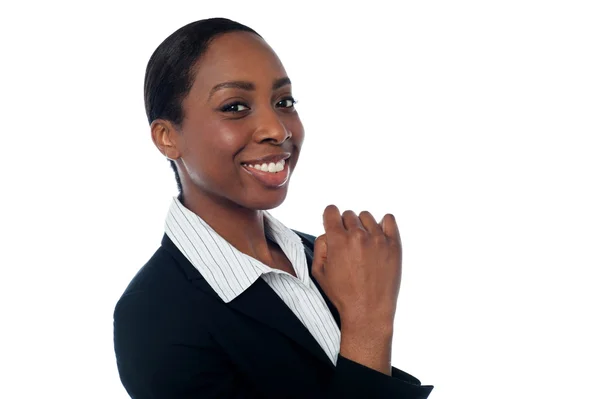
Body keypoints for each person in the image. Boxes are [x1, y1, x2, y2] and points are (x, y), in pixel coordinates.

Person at [113, 17, 433, 399]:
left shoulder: (326, 258)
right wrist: (368, 324)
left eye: (284, 102)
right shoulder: (153, 316)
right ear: (167, 138)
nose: (277, 129)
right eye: (235, 106)